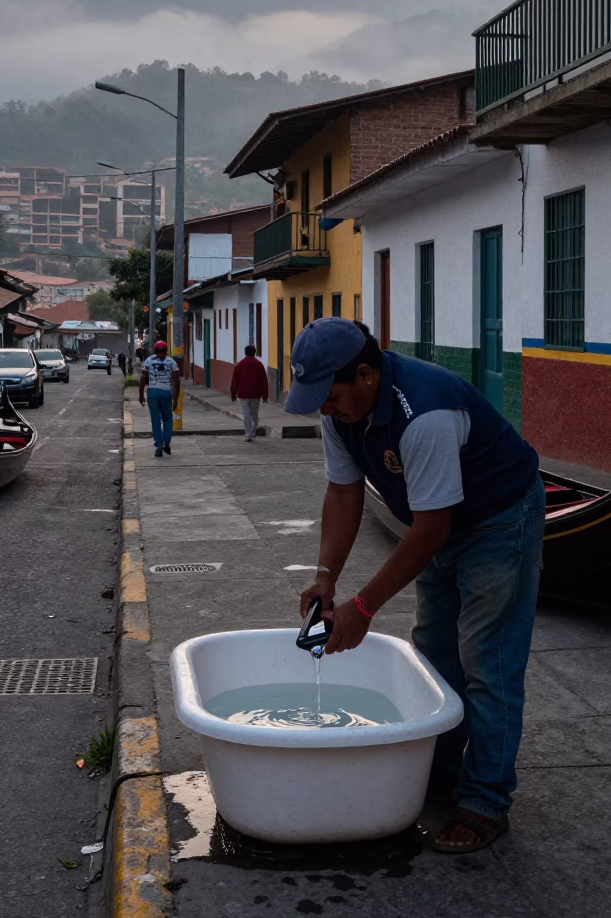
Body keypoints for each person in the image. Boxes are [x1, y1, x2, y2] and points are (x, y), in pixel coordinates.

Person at [285, 318, 544, 855]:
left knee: (487, 665)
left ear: (365, 373)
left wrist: (362, 606)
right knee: (434, 660)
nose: (324, 410)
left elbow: (431, 530)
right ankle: (439, 776)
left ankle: (484, 801)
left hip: (499, 522)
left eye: (330, 397)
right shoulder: (343, 412)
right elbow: (343, 493)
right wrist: (325, 577)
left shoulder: (424, 414)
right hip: (440, 521)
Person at [140, 340, 180, 457]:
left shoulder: (148, 361)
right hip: (165, 393)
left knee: (155, 420)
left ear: (155, 350)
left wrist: (141, 395)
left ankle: (158, 447)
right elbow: (176, 382)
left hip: (152, 392)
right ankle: (166, 442)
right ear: (166, 350)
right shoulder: (171, 362)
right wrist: (176, 399)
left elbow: (143, 378)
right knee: (167, 419)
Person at [230, 344, 268, 441]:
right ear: (254, 353)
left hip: (243, 394)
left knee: (246, 414)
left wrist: (233, 394)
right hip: (255, 393)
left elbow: (235, 381)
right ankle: (253, 431)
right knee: (254, 414)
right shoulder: (259, 365)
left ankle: (247, 434)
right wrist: (265, 395)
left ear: (245, 353)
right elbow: (263, 380)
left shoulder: (240, 364)